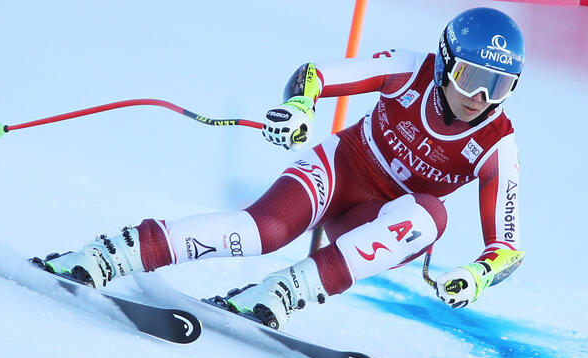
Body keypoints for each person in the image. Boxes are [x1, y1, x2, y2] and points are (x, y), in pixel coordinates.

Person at [42, 7, 525, 330]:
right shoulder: (408, 69)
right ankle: (110, 254)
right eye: (470, 78)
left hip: (378, 221)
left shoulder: (497, 142)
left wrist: (477, 274)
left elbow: (507, 247)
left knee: (430, 217)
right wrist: (298, 107)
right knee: (263, 232)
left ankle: (283, 293)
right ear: (444, 64)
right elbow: (315, 75)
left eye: (498, 87)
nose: (478, 99)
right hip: (343, 168)